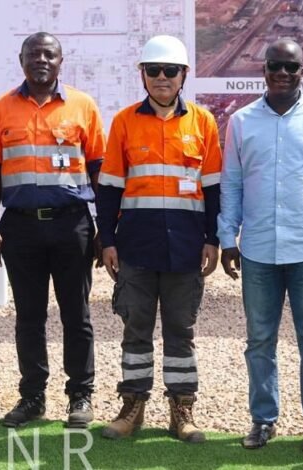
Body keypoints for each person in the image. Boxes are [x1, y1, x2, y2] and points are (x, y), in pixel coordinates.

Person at [217, 38, 303, 454]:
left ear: (302, 71)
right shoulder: (242, 122)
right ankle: (263, 419)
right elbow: (232, 184)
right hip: (258, 249)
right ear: (263, 69)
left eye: (290, 67)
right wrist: (229, 236)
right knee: (259, 340)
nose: (282, 73)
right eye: (275, 65)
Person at [96, 35, 221, 442]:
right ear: (143, 76)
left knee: (180, 333)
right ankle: (132, 406)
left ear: (184, 75)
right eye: (154, 71)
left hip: (185, 249)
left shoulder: (203, 123)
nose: (162, 78)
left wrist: (213, 238)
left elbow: (215, 188)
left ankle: (182, 410)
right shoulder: (124, 122)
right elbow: (110, 188)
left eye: (170, 71)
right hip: (137, 247)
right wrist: (107, 240)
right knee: (136, 331)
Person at [0, 32, 105, 429]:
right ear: (21, 61)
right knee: (29, 317)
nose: (41, 60)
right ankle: (32, 396)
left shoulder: (83, 106)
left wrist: (105, 229)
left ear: (60, 61)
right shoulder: (1, 109)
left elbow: (100, 170)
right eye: (33, 54)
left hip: (72, 226)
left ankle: (80, 395)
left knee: (77, 315)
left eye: (49, 54)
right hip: (20, 230)